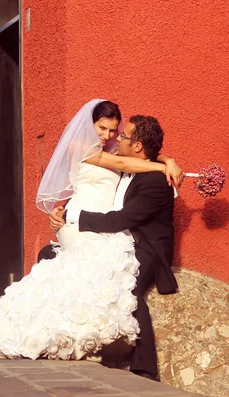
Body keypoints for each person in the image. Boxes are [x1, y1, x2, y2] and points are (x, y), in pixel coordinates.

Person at [0, 99, 183, 365]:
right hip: (82, 221)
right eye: (102, 128)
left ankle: (75, 336)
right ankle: (57, 334)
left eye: (113, 131)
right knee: (100, 273)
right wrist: (163, 166)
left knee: (83, 277)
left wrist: (166, 157)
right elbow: (129, 165)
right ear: (88, 124)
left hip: (95, 221)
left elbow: (138, 154)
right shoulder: (81, 147)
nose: (107, 136)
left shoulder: (115, 149)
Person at [48, 114, 177, 380]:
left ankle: (145, 369)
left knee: (126, 286)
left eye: (124, 135)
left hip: (146, 249)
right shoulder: (126, 164)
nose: (117, 138)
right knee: (50, 258)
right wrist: (62, 209)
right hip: (116, 239)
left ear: (138, 146)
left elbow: (121, 220)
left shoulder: (156, 182)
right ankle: (60, 334)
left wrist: (72, 216)